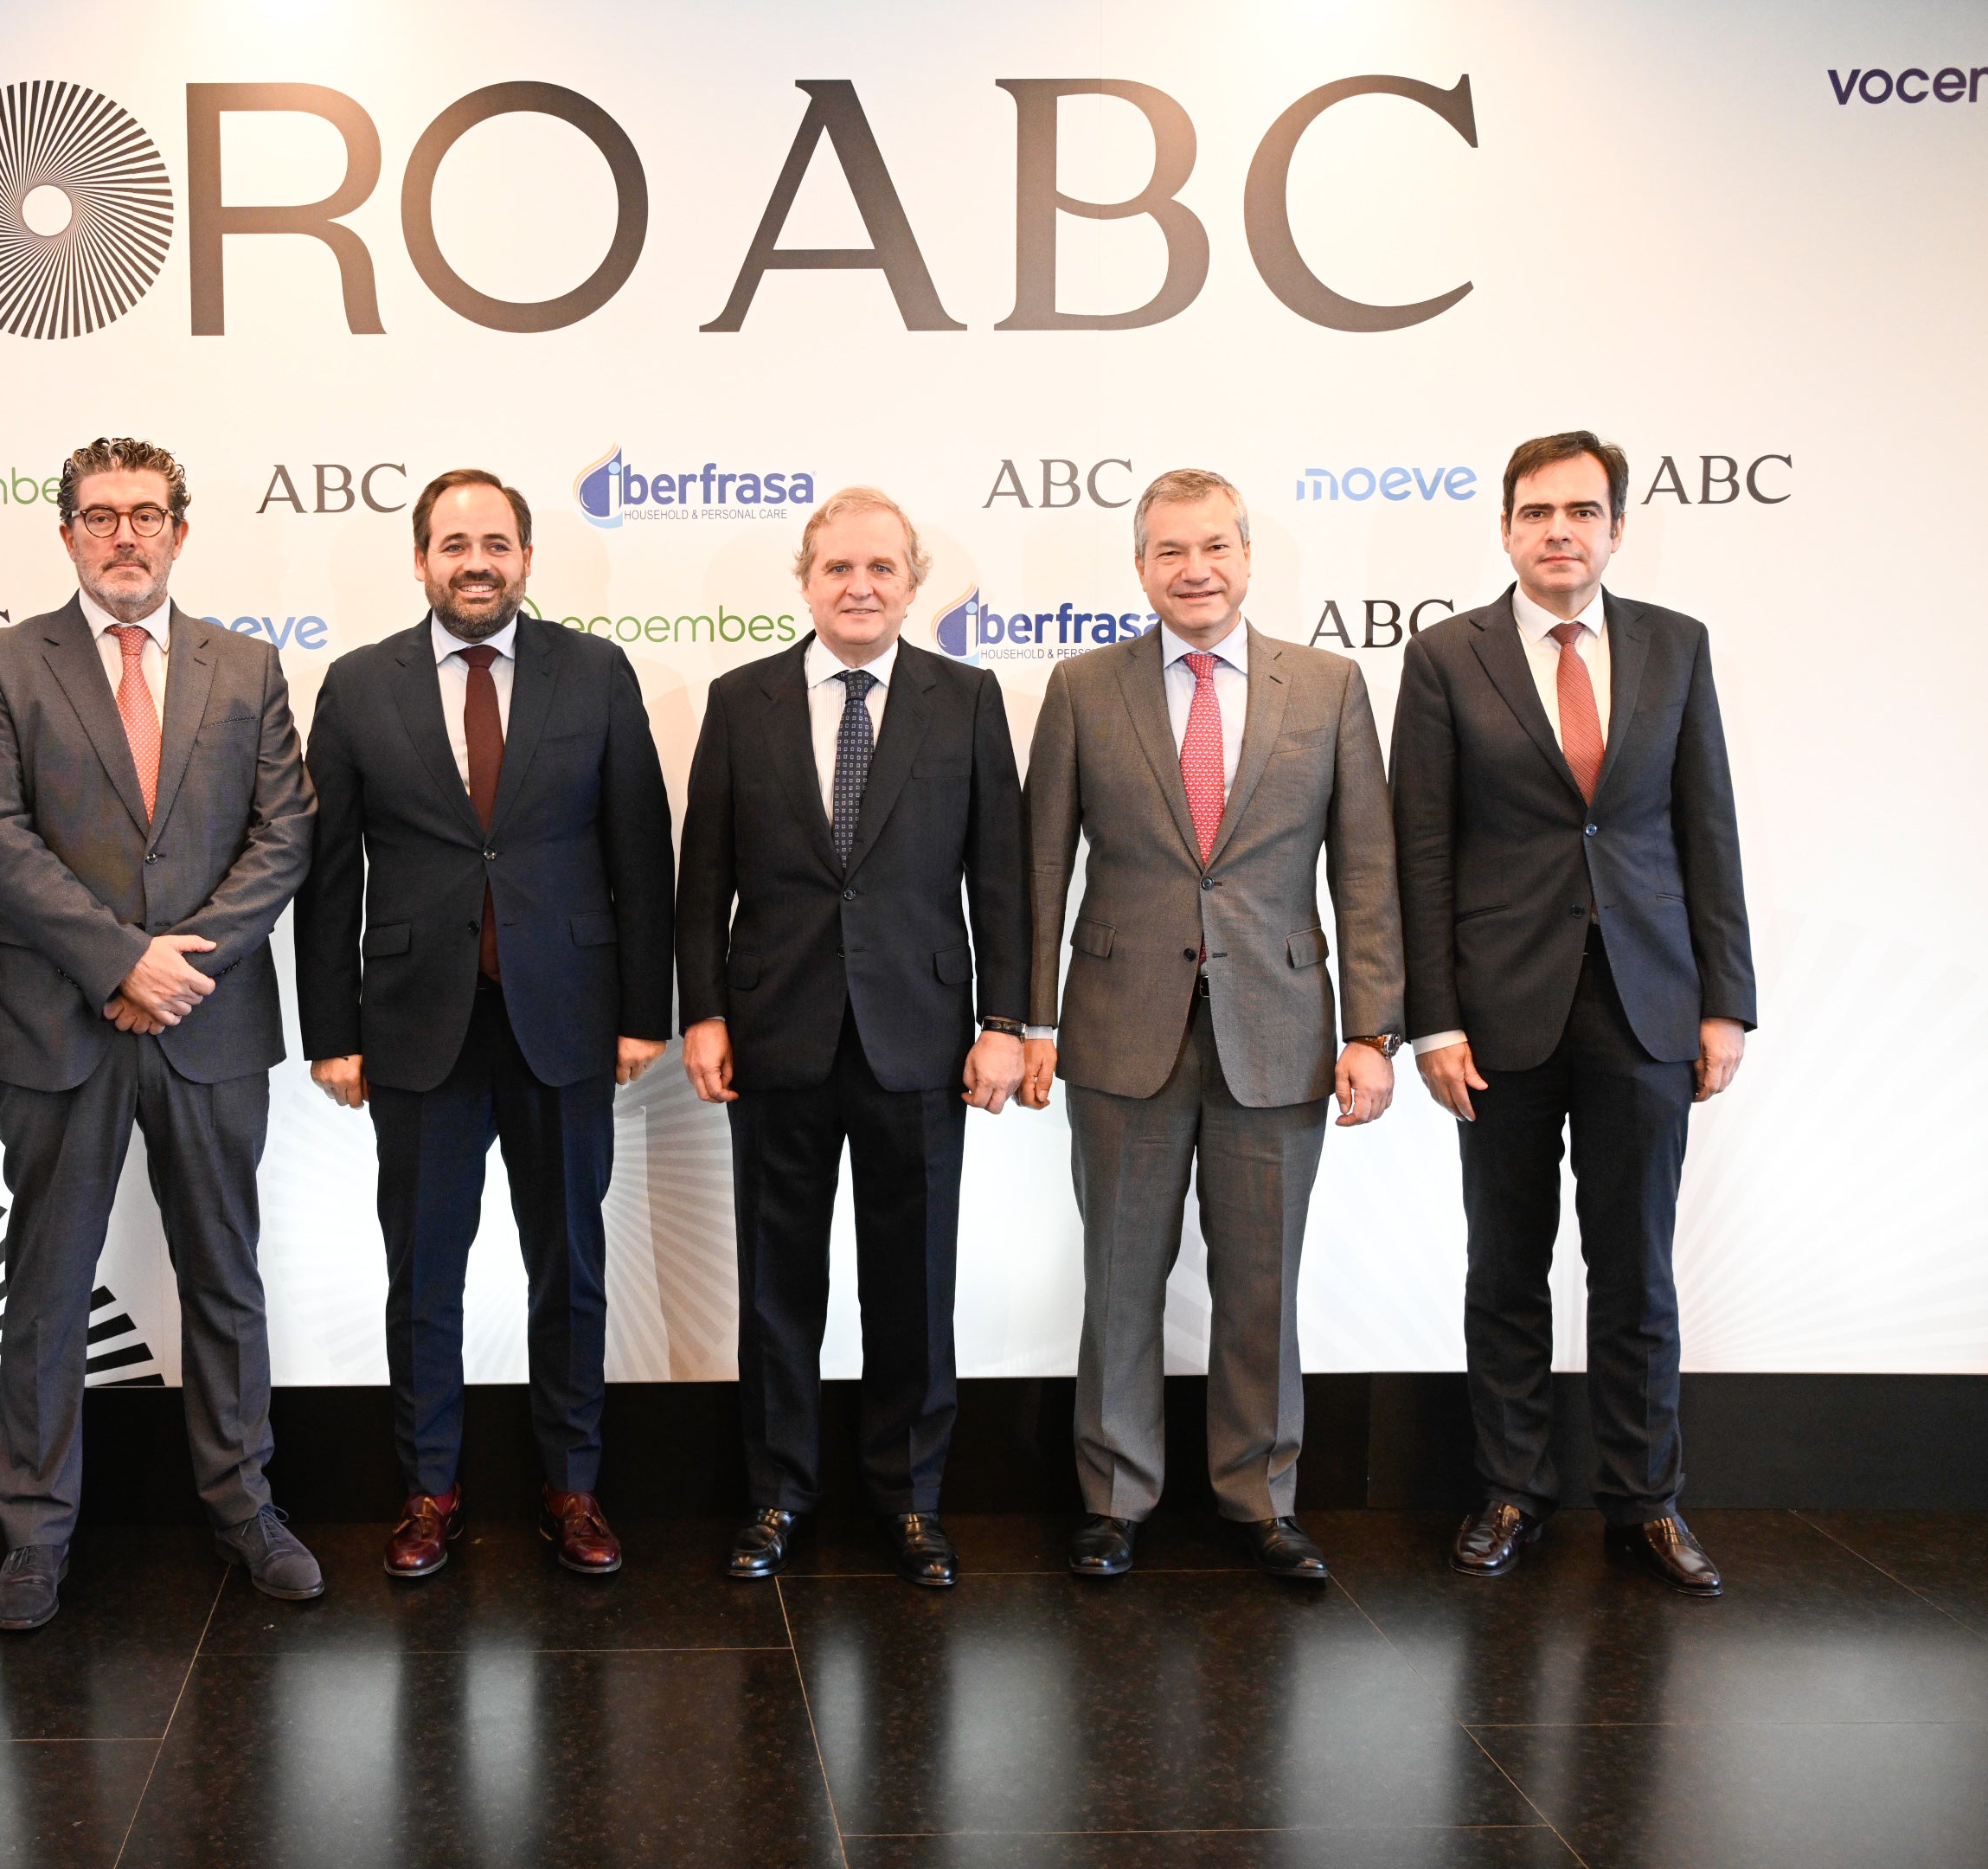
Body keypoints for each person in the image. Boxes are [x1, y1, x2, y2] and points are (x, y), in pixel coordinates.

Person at [0, 436, 319, 1628]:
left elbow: (284, 838)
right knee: (47, 1287)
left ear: (180, 531)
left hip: (208, 1023)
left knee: (224, 1277)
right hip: (57, 1022)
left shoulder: (249, 668)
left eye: (147, 514)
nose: (126, 534)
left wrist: (175, 971)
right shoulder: (4, 665)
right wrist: (120, 962)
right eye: (101, 515)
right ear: (67, 534)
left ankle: (243, 1508)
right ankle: (33, 1535)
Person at [1022, 467, 1403, 1583]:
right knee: (1121, 1278)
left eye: (1215, 548)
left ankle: (1261, 1498)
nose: (1195, 570)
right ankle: (1114, 1497)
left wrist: (1373, 1031)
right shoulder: (1084, 686)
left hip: (1280, 1031)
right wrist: (1027, 1019)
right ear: (1140, 567)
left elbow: (1366, 869)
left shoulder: (1328, 687)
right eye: (1169, 551)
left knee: (1261, 1282)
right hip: (1117, 1029)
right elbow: (1045, 863)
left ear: (1247, 556)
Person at [1390, 431, 1754, 1597]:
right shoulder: (1447, 656)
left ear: (1615, 530)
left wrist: (1726, 1003)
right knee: (1506, 1263)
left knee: (1635, 1267)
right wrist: (1431, 1021)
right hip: (1498, 1012)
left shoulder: (1675, 646)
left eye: (1583, 512)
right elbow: (1424, 848)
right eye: (1538, 511)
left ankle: (1647, 1501)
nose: (1560, 530)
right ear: (1504, 529)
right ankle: (1509, 1491)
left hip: (1648, 1002)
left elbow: (1709, 829)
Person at [297, 469, 676, 1579]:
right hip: (416, 1029)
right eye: (454, 542)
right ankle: (428, 1491)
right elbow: (330, 878)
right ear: (420, 560)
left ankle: (572, 1487)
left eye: (497, 542)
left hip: (567, 1019)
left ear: (525, 558)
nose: (477, 560)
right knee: (423, 1271)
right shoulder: (360, 684)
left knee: (571, 1264)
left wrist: (643, 1009)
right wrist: (332, 1029)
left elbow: (640, 849)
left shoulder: (595, 672)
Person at [677, 486, 1026, 1590]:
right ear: (806, 581)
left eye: (881, 569)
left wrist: (1005, 1023)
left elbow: (1003, 881)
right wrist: (704, 1009)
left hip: (920, 1039)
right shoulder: (741, 700)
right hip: (774, 1035)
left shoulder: (966, 700)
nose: (860, 586)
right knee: (779, 1285)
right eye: (838, 569)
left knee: (912, 1284)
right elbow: (704, 881)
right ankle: (777, 1496)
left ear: (914, 585)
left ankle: (911, 1500)